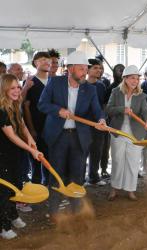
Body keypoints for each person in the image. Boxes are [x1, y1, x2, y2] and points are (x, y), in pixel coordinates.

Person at [38, 51, 106, 218]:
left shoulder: (89, 89)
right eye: (82, 68)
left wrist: (101, 119)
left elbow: (97, 109)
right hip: (58, 136)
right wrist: (58, 110)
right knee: (57, 173)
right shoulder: (54, 83)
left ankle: (76, 209)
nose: (85, 72)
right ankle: (54, 210)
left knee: (77, 174)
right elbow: (42, 104)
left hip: (79, 136)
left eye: (85, 68)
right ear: (70, 69)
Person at [0, 74, 41, 239]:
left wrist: (31, 141)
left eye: (18, 87)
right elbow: (12, 136)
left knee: (15, 186)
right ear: (4, 89)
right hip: (2, 156)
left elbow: (22, 126)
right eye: (12, 88)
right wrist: (32, 151)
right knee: (4, 191)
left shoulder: (15, 105)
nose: (17, 91)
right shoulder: (1, 110)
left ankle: (13, 215)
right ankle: (3, 226)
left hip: (15, 154)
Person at [106, 65, 147, 201]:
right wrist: (122, 109)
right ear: (125, 79)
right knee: (117, 161)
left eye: (137, 79)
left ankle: (131, 190)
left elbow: (146, 112)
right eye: (132, 78)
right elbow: (108, 109)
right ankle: (114, 188)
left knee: (133, 162)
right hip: (117, 132)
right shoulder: (115, 92)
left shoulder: (142, 95)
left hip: (135, 134)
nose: (135, 81)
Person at [23, 52, 51, 185]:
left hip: (53, 128)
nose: (47, 62)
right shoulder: (30, 82)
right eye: (43, 59)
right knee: (36, 162)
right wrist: (32, 129)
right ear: (35, 62)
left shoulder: (54, 82)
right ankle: (37, 190)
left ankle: (49, 188)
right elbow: (26, 107)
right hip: (36, 128)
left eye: (49, 60)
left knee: (50, 161)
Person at [86, 58, 107, 185]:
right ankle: (80, 179)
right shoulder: (81, 85)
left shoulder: (101, 86)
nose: (99, 70)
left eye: (100, 68)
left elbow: (103, 104)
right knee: (82, 152)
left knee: (97, 151)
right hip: (84, 124)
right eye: (95, 68)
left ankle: (94, 177)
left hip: (99, 124)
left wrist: (103, 118)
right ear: (87, 70)